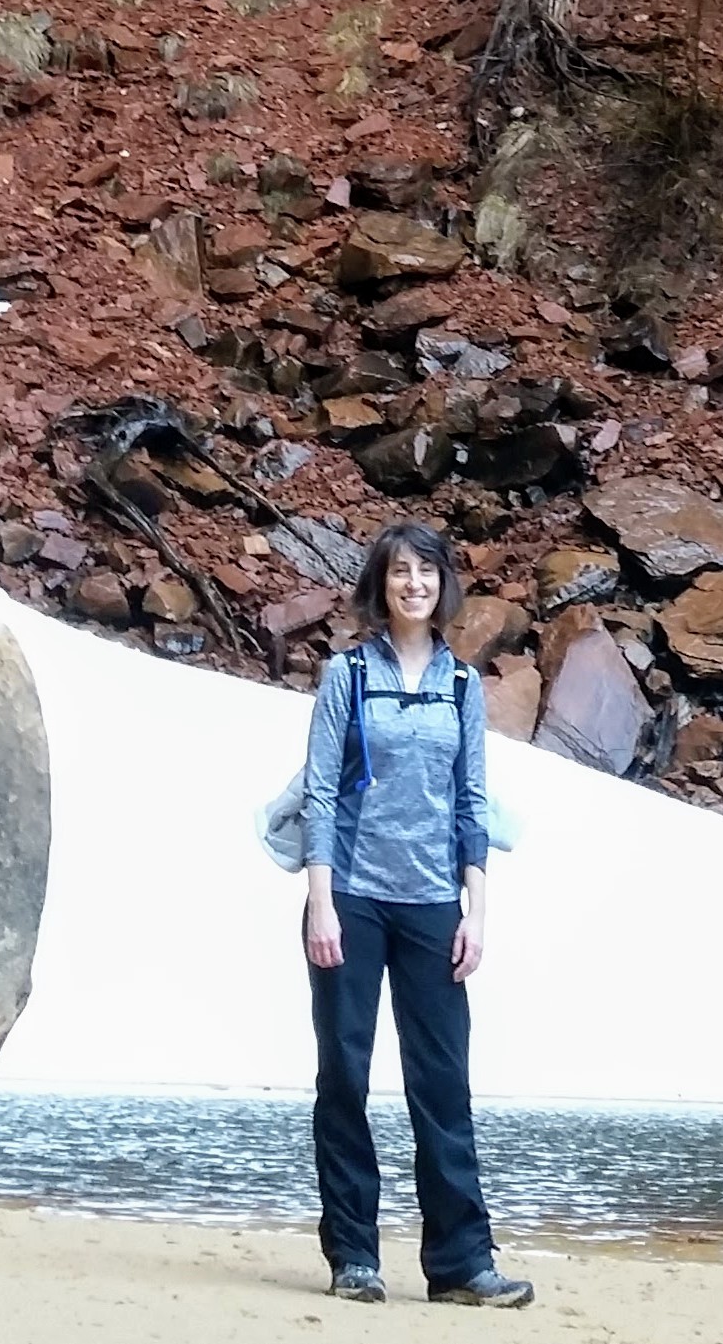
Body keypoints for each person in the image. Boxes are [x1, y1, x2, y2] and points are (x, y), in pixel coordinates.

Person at [300, 518, 531, 1308]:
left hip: (434, 902)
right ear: (382, 582)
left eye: (426, 570)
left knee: (442, 1082)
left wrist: (476, 909)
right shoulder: (346, 675)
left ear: (442, 584)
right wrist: (321, 903)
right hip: (352, 898)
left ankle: (461, 1263)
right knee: (345, 1074)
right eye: (400, 570)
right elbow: (319, 791)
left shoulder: (462, 685)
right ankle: (354, 1256)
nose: (414, 583)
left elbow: (472, 800)